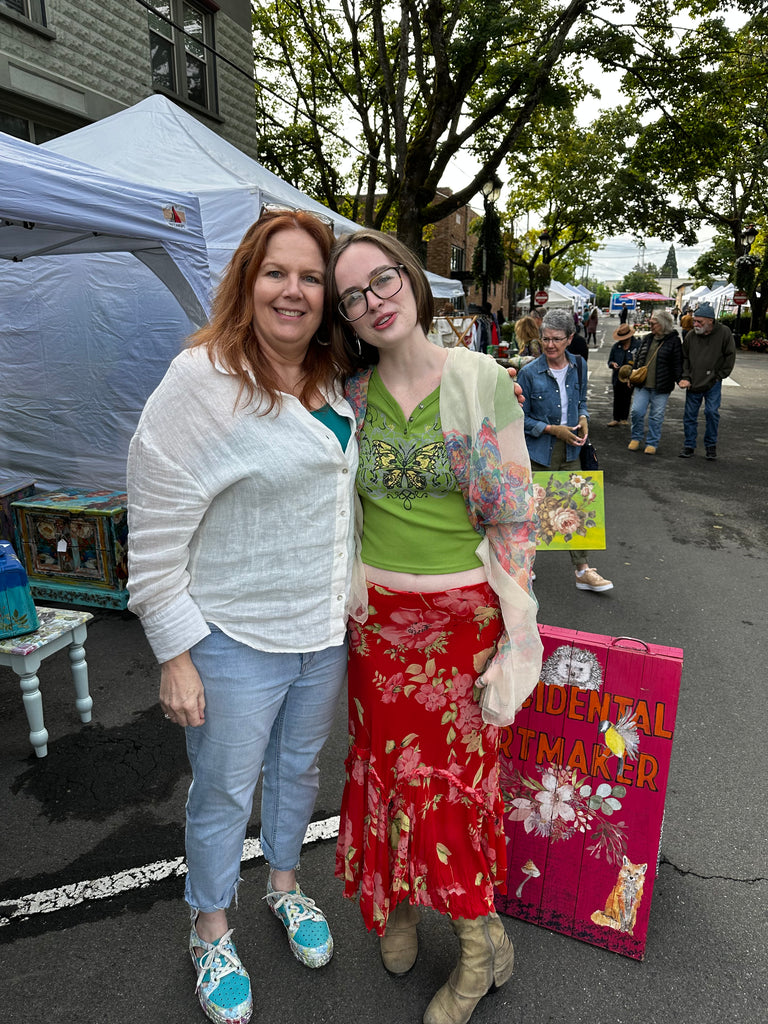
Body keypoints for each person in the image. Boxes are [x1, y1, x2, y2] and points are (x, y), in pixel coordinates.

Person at [126, 209, 365, 1024]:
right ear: (246, 282)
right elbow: (155, 524)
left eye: (308, 277)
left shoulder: (334, 378)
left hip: (320, 632)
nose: (292, 291)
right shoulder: (204, 379)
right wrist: (175, 651)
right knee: (224, 791)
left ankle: (287, 885)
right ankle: (211, 925)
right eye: (276, 273)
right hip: (230, 637)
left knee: (298, 773)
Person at [327, 229, 542, 1024]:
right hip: (376, 627)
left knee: (451, 791)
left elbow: (517, 518)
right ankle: (403, 904)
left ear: (411, 283)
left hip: (459, 627)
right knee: (384, 773)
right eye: (352, 296)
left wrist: (518, 639)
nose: (372, 302)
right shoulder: (348, 392)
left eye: (381, 282)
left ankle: (481, 948)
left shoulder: (480, 379)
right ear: (345, 317)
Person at [517, 308, 614, 594]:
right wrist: (550, 430)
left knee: (576, 507)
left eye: (556, 339)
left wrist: (583, 418)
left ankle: (583, 570)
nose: (549, 345)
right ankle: (525, 567)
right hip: (540, 450)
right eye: (545, 339)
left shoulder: (579, 365)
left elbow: (581, 400)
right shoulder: (529, 373)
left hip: (571, 448)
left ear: (570, 338)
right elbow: (519, 417)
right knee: (534, 511)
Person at [678, 301, 736, 460]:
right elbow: (684, 358)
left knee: (711, 413)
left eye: (699, 322)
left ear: (710, 321)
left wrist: (720, 376)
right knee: (689, 415)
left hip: (713, 382)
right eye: (695, 321)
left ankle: (711, 446)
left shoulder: (724, 333)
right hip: (694, 381)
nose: (695, 324)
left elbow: (730, 355)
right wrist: (685, 376)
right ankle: (689, 445)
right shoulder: (691, 336)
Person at [627, 307, 682, 455]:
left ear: (663, 324)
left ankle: (652, 442)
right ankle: (636, 437)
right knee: (636, 412)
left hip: (662, 386)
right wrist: (632, 376)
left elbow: (677, 363)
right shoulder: (647, 338)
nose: (650, 326)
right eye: (650, 323)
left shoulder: (674, 341)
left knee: (656, 416)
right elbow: (639, 357)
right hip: (642, 384)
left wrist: (680, 379)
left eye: (653, 323)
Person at [607, 324, 637, 426]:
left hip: (630, 376)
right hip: (617, 376)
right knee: (617, 397)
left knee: (627, 397)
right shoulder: (616, 347)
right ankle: (616, 418)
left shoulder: (637, 345)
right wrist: (612, 364)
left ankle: (624, 418)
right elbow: (610, 360)